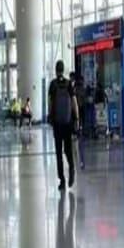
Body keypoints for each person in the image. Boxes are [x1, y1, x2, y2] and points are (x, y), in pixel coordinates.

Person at [48, 60, 79, 191]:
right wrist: (77, 118)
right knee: (68, 149)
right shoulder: (69, 84)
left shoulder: (53, 84)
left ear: (56, 70)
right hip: (67, 122)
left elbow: (50, 103)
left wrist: (50, 116)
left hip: (57, 123)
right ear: (63, 69)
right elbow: (74, 102)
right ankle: (71, 167)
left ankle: (62, 180)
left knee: (58, 152)